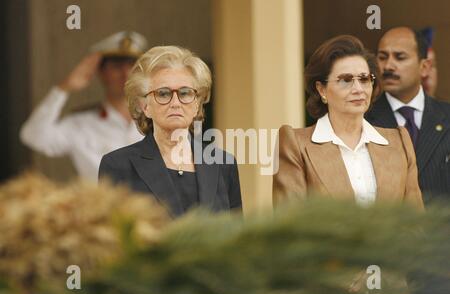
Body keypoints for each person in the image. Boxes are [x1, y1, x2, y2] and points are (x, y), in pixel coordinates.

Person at [273, 35, 423, 210]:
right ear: (321, 90)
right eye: (346, 80)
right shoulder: (295, 144)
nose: (358, 89)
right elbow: (290, 225)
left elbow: (415, 221)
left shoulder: (399, 141)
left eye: (364, 79)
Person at [98, 46, 242, 217]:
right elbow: (109, 238)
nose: (176, 102)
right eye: (163, 94)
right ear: (144, 107)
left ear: (197, 104)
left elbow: (238, 237)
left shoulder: (223, 164)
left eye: (185, 93)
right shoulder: (117, 165)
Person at [20, 31, 148, 180]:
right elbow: (34, 136)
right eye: (117, 66)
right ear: (101, 72)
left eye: (133, 65)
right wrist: (64, 88)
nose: (126, 73)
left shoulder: (160, 118)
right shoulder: (80, 124)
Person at [365, 27, 450, 205]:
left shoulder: (446, 116)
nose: (388, 66)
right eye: (382, 57)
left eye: (400, 57)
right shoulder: (362, 120)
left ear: (424, 67)